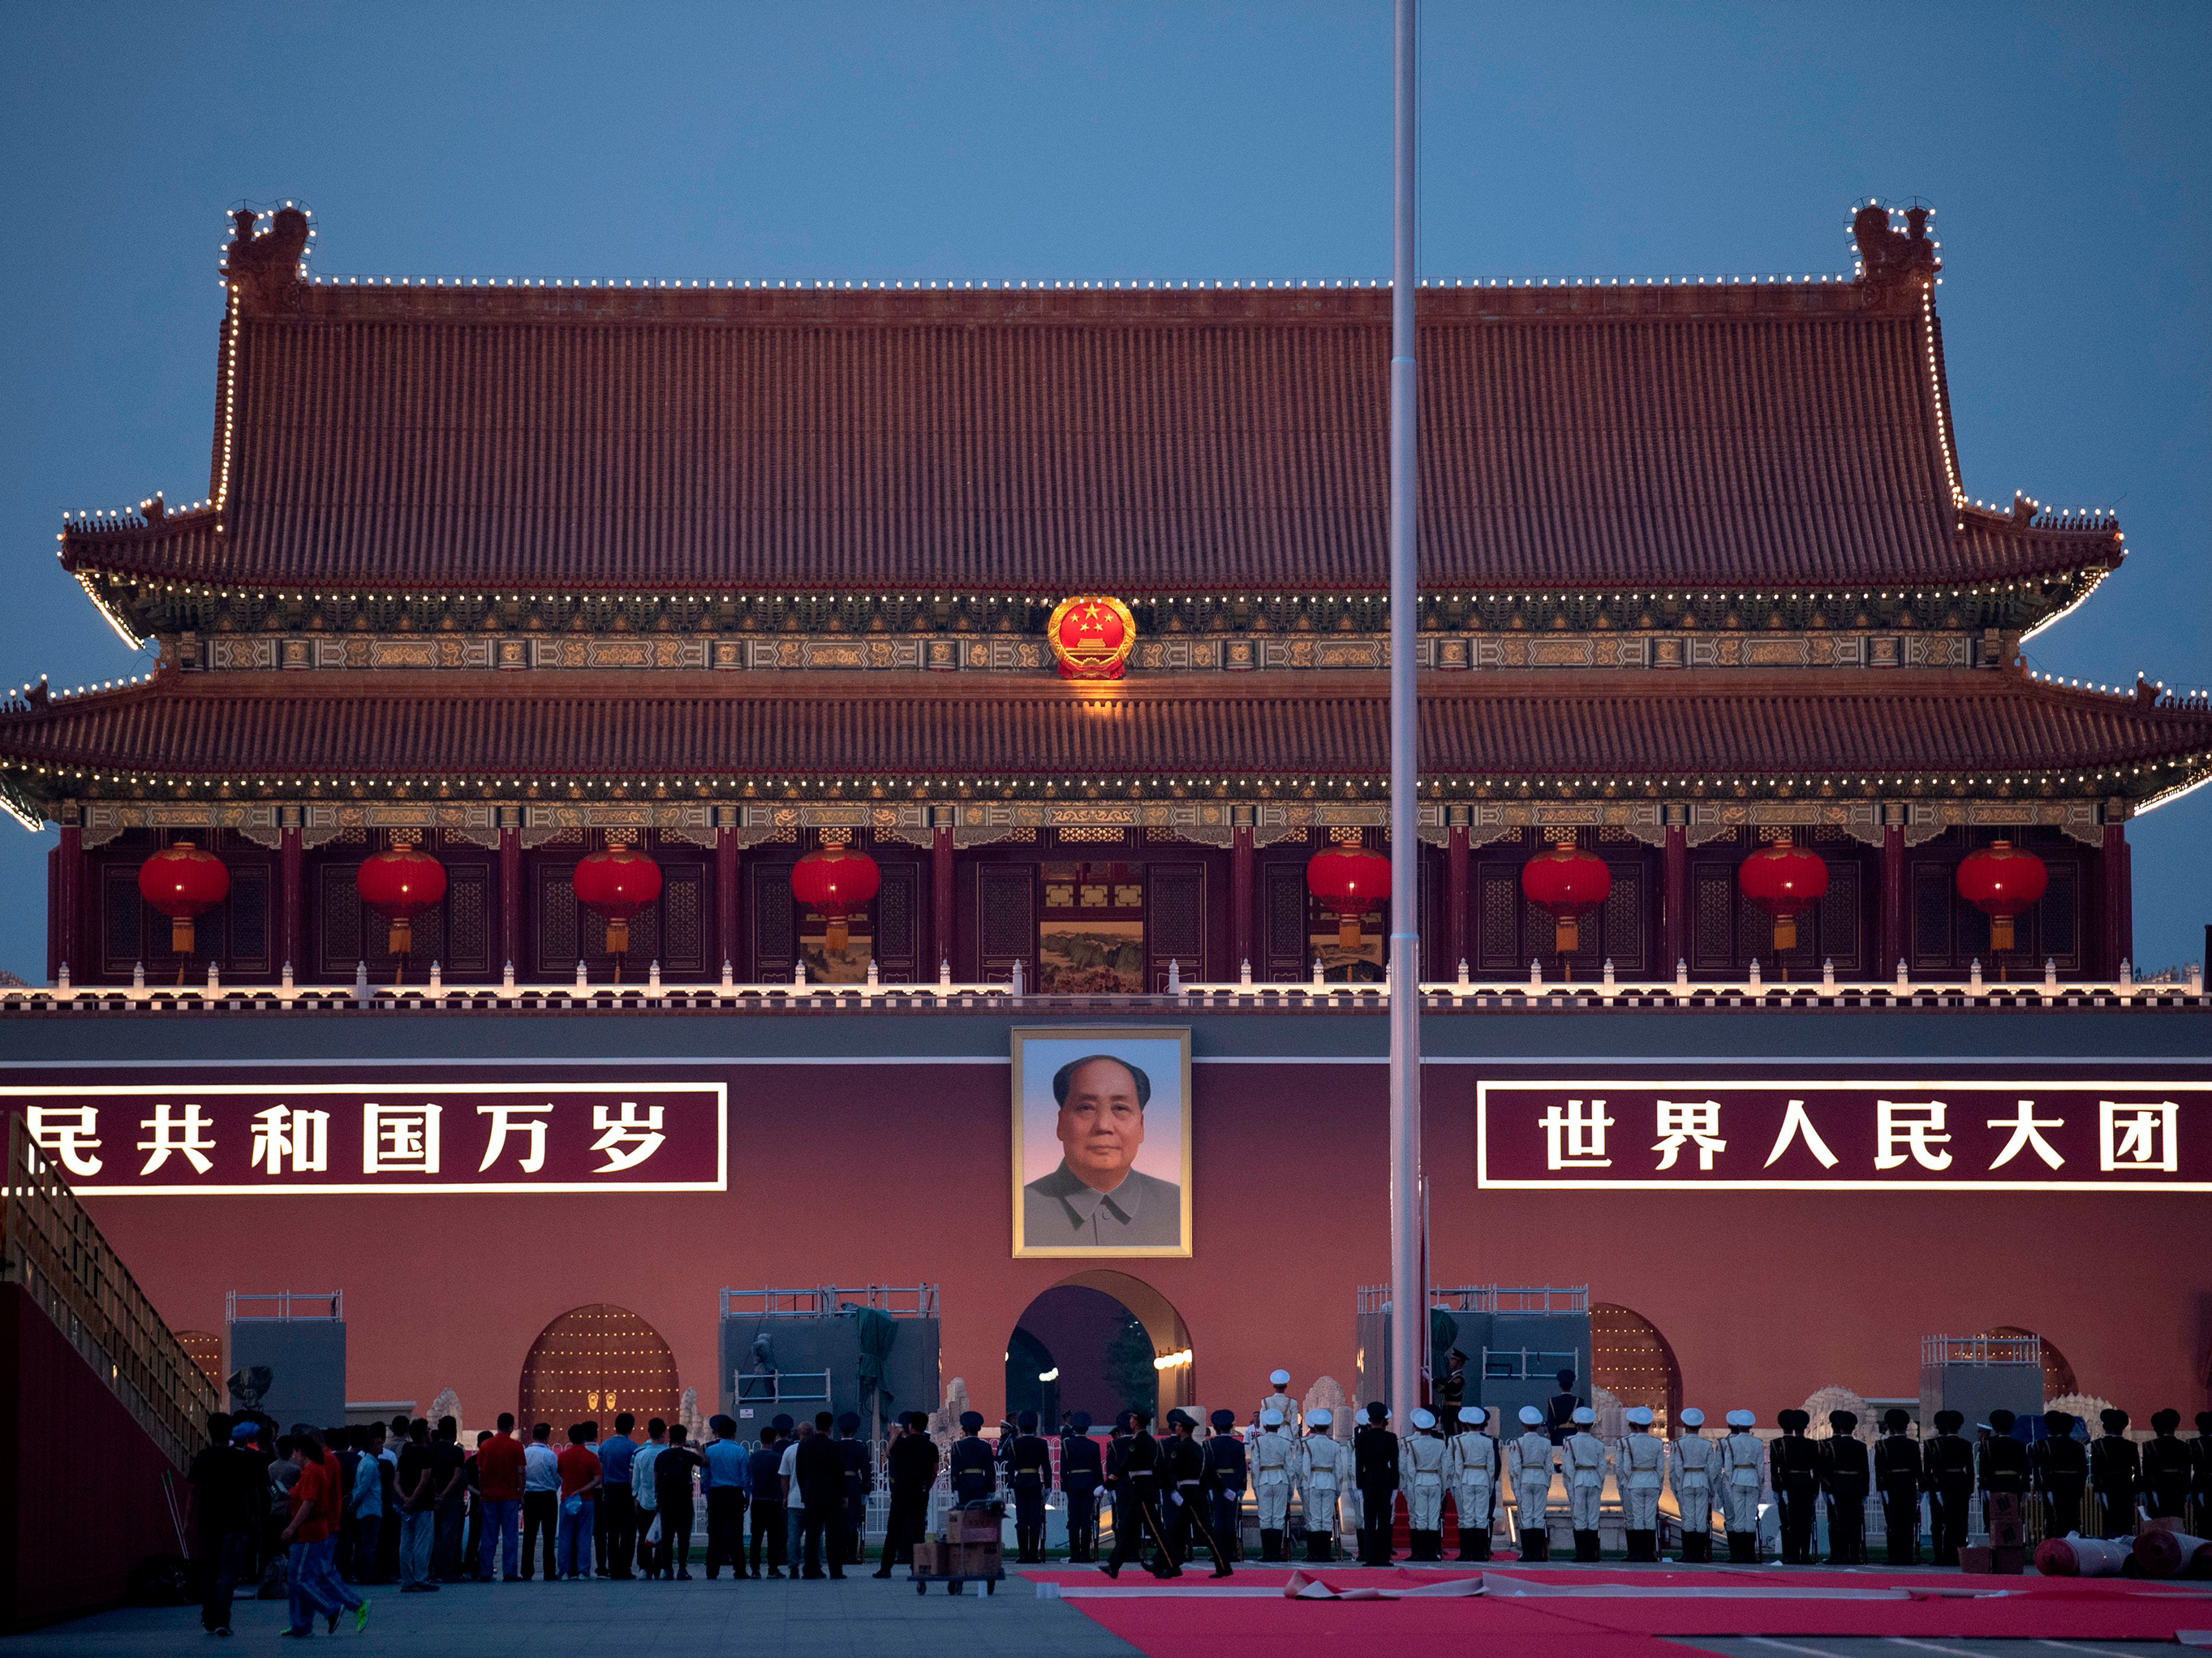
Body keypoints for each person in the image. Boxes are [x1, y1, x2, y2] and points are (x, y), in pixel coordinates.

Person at [1021, 1053, 1182, 1247]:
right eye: (1086, 1108)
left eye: (1120, 1108)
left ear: (1141, 1126)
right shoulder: (1020, 1209)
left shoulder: (1179, 1207)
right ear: (1061, 1123)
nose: (1104, 1125)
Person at [281, 1432, 368, 1638]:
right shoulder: (318, 1467)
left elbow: (310, 1501)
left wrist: (292, 1526)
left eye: (295, 1453)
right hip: (318, 1529)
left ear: (302, 1451)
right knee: (314, 1576)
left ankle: (336, 1607)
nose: (294, 1457)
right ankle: (302, 1623)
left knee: (306, 1577)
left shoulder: (317, 1469)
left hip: (313, 1531)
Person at [188, 1415, 257, 1636]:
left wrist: (187, 1520)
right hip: (235, 1520)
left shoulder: (203, 1457)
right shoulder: (242, 1458)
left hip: (208, 1519)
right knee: (228, 1572)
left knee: (209, 1569)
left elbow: (194, 1491)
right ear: (230, 1433)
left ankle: (208, 1616)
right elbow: (252, 1491)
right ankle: (222, 1619)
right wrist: (256, 1518)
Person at [1104, 1410, 1178, 1579]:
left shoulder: (1138, 1441)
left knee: (1155, 1530)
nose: (1130, 1421)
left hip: (1142, 1490)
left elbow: (1126, 1464)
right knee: (1127, 1529)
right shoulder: (1150, 1441)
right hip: (1141, 1490)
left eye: (1132, 1419)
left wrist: (1107, 1484)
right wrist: (1171, 1490)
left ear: (1136, 1422)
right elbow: (1161, 1469)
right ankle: (1113, 1565)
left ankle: (1172, 1563)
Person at [1164, 1410, 1233, 1576]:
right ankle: (1169, 1565)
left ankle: (1223, 1566)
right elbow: (1210, 1473)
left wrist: (1170, 1489)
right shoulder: (1199, 1448)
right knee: (1175, 1531)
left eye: (1179, 1426)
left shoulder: (1180, 1447)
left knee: (1205, 1531)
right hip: (1196, 1493)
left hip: (1188, 1494)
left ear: (1183, 1429)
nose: (1177, 1428)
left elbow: (1171, 1470)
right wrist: (1223, 1489)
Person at [876, 1412, 940, 1578]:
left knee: (894, 1530)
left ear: (910, 1427)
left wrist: (893, 1435)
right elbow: (934, 1471)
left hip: (901, 1491)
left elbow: (889, 1452)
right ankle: (917, 1567)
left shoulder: (903, 1444)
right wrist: (927, 1487)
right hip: (920, 1491)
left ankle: (885, 1568)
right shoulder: (931, 1447)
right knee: (918, 1531)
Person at [473, 1413, 525, 1582]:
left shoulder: (486, 1445)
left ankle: (485, 1571)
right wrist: (521, 1494)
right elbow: (521, 1471)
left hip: (489, 1497)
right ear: (511, 1426)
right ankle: (509, 1572)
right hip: (509, 1496)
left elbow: (480, 1472)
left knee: (488, 1536)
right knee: (510, 1536)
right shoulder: (516, 1446)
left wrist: (482, 1492)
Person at [794, 1412, 845, 1579]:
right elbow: (839, 1473)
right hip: (832, 1497)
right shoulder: (834, 1447)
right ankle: (835, 1571)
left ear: (816, 1426)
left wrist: (804, 1491)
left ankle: (810, 1569)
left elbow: (799, 1472)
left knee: (812, 1535)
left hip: (812, 1496)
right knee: (833, 1535)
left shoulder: (804, 1446)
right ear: (830, 1428)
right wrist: (843, 1494)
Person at [1444, 1406, 1498, 1562]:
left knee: (1467, 1516)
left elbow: (1454, 1464)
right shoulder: (1488, 1441)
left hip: (1466, 1478)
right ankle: (1480, 1553)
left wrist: (1455, 1483)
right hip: (1482, 1478)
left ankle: (1467, 1552)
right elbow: (1491, 1466)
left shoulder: (1457, 1440)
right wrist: (1490, 1484)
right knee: (1481, 1517)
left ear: (1465, 1423)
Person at [1298, 1408, 1349, 1564]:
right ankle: (1325, 1553)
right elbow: (1339, 1469)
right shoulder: (1334, 1445)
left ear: (1314, 1426)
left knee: (1314, 1519)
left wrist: (1304, 1487)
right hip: (1329, 1482)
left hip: (1312, 1482)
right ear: (1327, 1427)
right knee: (1326, 1519)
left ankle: (1313, 1553)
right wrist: (1338, 1488)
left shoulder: (1308, 1444)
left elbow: (1305, 1468)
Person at [1922, 1410, 1973, 1566]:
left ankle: (1943, 1555)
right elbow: (1971, 1470)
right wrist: (1970, 1489)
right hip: (1961, 1483)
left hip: (1942, 1485)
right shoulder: (1966, 1444)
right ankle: (1959, 1554)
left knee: (1941, 1522)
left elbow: (1931, 1469)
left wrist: (1934, 1488)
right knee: (1960, 1521)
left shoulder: (1934, 1445)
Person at [1769, 1409, 1821, 1565]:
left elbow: (1781, 1469)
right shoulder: (1813, 1444)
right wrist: (1815, 1490)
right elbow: (1817, 1470)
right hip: (1806, 1483)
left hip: (1790, 1485)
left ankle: (1792, 1554)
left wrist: (1781, 1489)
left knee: (1792, 1521)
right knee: (1805, 1521)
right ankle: (1805, 1554)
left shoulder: (1784, 1444)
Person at [702, 1415, 751, 1578]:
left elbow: (705, 1476)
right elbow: (745, 1477)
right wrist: (747, 1495)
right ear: (734, 1432)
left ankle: (712, 1571)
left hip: (716, 1494)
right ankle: (740, 1569)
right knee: (736, 1533)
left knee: (714, 1534)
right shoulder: (740, 1451)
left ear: (718, 1433)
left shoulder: (710, 1450)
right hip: (734, 1494)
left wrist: (708, 1493)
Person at [396, 1418, 441, 1593]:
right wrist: (414, 1499)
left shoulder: (405, 1454)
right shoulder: (426, 1454)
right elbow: (424, 1481)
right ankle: (421, 1578)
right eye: (428, 1431)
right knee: (422, 1543)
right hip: (423, 1505)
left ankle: (407, 1580)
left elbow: (396, 1480)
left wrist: (404, 1499)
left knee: (405, 1544)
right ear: (423, 1435)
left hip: (406, 1506)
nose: (430, 1434)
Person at [1353, 1402, 1400, 1567]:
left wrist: (1359, 1486)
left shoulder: (1362, 1438)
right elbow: (1394, 1464)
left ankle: (1370, 1556)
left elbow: (1359, 1464)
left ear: (1370, 1419)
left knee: (1370, 1519)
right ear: (1384, 1420)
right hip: (1386, 1479)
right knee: (1385, 1519)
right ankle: (1384, 1556)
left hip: (1369, 1479)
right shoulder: (1391, 1438)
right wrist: (1395, 1486)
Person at [1873, 1409, 1922, 1565]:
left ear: (1890, 1427)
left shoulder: (1882, 1445)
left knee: (1893, 1523)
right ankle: (1907, 1556)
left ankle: (1894, 1556)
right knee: (1908, 1522)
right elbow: (1918, 1469)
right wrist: (1921, 1489)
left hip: (1891, 1485)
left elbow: (1879, 1470)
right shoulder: (1913, 1445)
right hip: (1909, 1485)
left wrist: (1882, 1490)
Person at [1615, 1406, 1664, 1562]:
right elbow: (1661, 1468)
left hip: (1635, 1481)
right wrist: (1659, 1483)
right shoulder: (1657, 1443)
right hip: (1652, 1481)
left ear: (1635, 1425)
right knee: (1649, 1517)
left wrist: (1628, 1481)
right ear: (1649, 1425)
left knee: (1636, 1517)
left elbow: (1625, 1467)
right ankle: (1648, 1552)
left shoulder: (1628, 1443)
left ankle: (1637, 1552)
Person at [1399, 1407, 1448, 1562]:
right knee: (1433, 1518)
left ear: (1417, 1426)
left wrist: (1410, 1487)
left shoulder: (1412, 1444)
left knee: (1420, 1518)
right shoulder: (1440, 1444)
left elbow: (1409, 1468)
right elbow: (1445, 1468)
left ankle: (1421, 1552)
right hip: (1435, 1479)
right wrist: (1443, 1486)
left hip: (1419, 1480)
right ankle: (1432, 1553)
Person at [1821, 1411, 1870, 1565]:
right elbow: (1865, 1472)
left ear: (1840, 1428)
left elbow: (1827, 1471)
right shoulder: (1861, 1446)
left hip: (1839, 1487)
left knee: (1840, 1522)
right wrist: (1865, 1492)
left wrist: (1828, 1490)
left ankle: (1841, 1554)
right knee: (1855, 1522)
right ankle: (1854, 1555)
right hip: (1856, 1487)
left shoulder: (1832, 1445)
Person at [1508, 1404, 1555, 1562]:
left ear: (1523, 1424)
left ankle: (1528, 1552)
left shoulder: (1518, 1442)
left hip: (1526, 1478)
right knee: (1539, 1516)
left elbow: (1515, 1468)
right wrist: (1547, 1483)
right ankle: (1538, 1552)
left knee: (1526, 1516)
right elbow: (1549, 1467)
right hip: (1540, 1478)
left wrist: (1516, 1486)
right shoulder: (1545, 1443)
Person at [1006, 1410, 1053, 1564]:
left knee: (1021, 1520)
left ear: (1019, 1427)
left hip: (1020, 1483)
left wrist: (1011, 1486)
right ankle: (1033, 1554)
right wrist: (1048, 1486)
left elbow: (1010, 1468)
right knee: (1034, 1520)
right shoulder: (1041, 1443)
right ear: (1035, 1427)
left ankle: (1023, 1554)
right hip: (1034, 1482)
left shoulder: (1014, 1443)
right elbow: (1046, 1467)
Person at [2035, 1410, 2089, 1540]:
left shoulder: (2049, 1446)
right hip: (2074, 1488)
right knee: (2072, 1518)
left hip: (2056, 1488)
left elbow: (2044, 1470)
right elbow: (2083, 1471)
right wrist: (2080, 1489)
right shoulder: (2079, 1447)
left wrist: (2046, 1488)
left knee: (2056, 1519)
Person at [1671, 1409, 1717, 1563]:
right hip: (1702, 1480)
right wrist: (1712, 1488)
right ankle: (1700, 1553)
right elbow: (1712, 1469)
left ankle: (1688, 1553)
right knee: (1701, 1518)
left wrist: (1677, 1487)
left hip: (1686, 1480)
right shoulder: (1706, 1444)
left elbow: (1677, 1468)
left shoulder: (1679, 1444)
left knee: (1688, 1517)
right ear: (1700, 1425)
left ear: (1685, 1425)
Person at [1202, 1410, 1247, 1565]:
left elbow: (1207, 1469)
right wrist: (1242, 1487)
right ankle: (1230, 1552)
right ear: (1231, 1426)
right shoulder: (1237, 1445)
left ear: (1216, 1427)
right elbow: (1242, 1468)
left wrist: (1208, 1488)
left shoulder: (1209, 1444)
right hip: (1233, 1483)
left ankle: (1218, 1552)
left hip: (1216, 1484)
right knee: (1230, 1519)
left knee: (1217, 1519)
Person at [1057, 1411, 1104, 1565]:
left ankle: (1074, 1554)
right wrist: (1100, 1487)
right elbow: (1098, 1470)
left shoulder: (1067, 1444)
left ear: (1073, 1428)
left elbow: (1063, 1469)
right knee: (1086, 1520)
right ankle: (1085, 1554)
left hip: (1073, 1484)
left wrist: (1064, 1487)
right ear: (1087, 1429)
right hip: (1089, 1484)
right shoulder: (1093, 1446)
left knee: (1074, 1520)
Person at [555, 1423, 600, 1580]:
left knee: (565, 1536)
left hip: (567, 1499)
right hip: (587, 1500)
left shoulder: (562, 1456)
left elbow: (559, 1473)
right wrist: (583, 1489)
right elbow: (597, 1479)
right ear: (584, 1437)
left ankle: (564, 1570)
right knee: (584, 1536)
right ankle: (583, 1570)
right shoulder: (591, 1457)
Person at [1564, 1405, 1608, 1562]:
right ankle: (1591, 1553)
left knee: (1580, 1517)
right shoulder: (1598, 1444)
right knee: (1593, 1517)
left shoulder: (1570, 1442)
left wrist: (1571, 1484)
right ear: (1592, 1425)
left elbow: (1569, 1467)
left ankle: (1581, 1553)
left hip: (1579, 1479)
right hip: (1594, 1479)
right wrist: (1599, 1481)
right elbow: (1602, 1466)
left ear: (1577, 1424)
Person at [596, 1415, 638, 1579]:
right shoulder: (633, 1447)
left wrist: (605, 1491)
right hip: (626, 1491)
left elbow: (601, 1470)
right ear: (631, 1428)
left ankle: (612, 1567)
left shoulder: (604, 1446)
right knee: (628, 1531)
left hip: (610, 1491)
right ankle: (625, 1567)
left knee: (612, 1532)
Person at [1719, 1410, 1764, 1563]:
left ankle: (1738, 1554)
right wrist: (1760, 1486)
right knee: (1750, 1517)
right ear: (1751, 1425)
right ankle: (1749, 1554)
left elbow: (1728, 1467)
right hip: (1752, 1479)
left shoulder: (1730, 1442)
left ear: (1738, 1425)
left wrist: (1730, 1484)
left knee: (1738, 1517)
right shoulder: (1757, 1443)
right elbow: (1760, 1469)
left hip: (1737, 1479)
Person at [1250, 1410, 1296, 1561]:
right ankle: (1276, 1553)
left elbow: (1255, 1466)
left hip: (1264, 1479)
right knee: (1278, 1517)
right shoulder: (1285, 1443)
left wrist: (1255, 1486)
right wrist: (1291, 1487)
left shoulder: (1257, 1441)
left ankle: (1266, 1553)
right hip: (1281, 1479)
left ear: (1265, 1425)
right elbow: (1290, 1467)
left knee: (1265, 1517)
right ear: (1279, 1425)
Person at [519, 1422, 561, 1581]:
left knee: (529, 1535)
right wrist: (551, 1488)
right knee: (549, 1536)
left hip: (530, 1496)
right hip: (547, 1496)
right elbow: (557, 1477)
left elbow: (521, 1473)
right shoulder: (550, 1455)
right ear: (547, 1436)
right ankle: (549, 1571)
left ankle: (526, 1571)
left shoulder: (525, 1453)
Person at [2089, 1408, 2140, 1540]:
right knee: (2126, 1521)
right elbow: (2137, 1471)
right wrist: (2136, 1490)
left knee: (2109, 1521)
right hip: (2126, 1488)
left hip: (2107, 1488)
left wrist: (2098, 1490)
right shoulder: (2131, 1446)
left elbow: (2095, 1471)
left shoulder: (2097, 1445)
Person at [429, 1417, 467, 1581]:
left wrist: (435, 1494)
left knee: (432, 1535)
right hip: (450, 1498)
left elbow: (427, 1475)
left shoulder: (430, 1449)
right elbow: (456, 1476)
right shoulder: (457, 1452)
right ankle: (447, 1571)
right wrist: (444, 1495)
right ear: (454, 1431)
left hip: (431, 1497)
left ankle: (433, 1570)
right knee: (448, 1537)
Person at [747, 1423, 788, 1578]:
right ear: (775, 1439)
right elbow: (782, 1479)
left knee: (756, 1536)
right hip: (773, 1501)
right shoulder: (778, 1458)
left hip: (757, 1499)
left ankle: (755, 1569)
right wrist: (784, 1497)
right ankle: (772, 1568)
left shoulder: (753, 1458)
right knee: (774, 1537)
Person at [349, 1423, 387, 1587]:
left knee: (366, 1543)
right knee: (369, 1544)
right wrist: (354, 1503)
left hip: (366, 1509)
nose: (381, 1446)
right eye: (378, 1444)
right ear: (371, 1446)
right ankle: (367, 1574)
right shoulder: (371, 1465)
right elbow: (363, 1488)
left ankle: (365, 1572)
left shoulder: (364, 1462)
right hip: (370, 1509)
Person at [833, 1413, 871, 1570]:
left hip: (837, 1487)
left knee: (838, 1522)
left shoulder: (835, 1447)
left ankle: (840, 1554)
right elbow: (866, 1470)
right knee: (853, 1522)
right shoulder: (860, 1447)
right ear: (854, 1431)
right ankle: (851, 1554)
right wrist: (865, 1488)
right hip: (854, 1486)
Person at [631, 1419, 668, 1578]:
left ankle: (643, 1568)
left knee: (644, 1534)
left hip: (644, 1500)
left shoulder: (640, 1454)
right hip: (664, 1500)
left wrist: (635, 1498)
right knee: (664, 1535)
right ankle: (660, 1567)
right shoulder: (667, 1453)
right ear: (663, 1433)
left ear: (648, 1433)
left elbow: (635, 1481)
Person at [2142, 1409, 2192, 1519]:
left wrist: (2149, 1491)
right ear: (2177, 1425)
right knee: (2176, 1518)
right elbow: (2187, 1471)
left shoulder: (2150, 1445)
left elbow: (2146, 1471)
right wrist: (2186, 1490)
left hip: (2159, 1485)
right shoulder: (2184, 1446)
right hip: (2178, 1486)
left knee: (2160, 1518)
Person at [949, 1410, 997, 1505]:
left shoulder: (958, 1446)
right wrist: (991, 1489)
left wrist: (955, 1488)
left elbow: (954, 1470)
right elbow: (990, 1470)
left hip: (964, 1484)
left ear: (964, 1430)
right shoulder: (985, 1446)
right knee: (979, 1513)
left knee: (965, 1514)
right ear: (979, 1429)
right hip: (980, 1484)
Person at [1544, 1369, 1586, 1447]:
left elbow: (1551, 1423)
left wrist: (1552, 1437)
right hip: (1575, 1435)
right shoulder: (1579, 1401)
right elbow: (1582, 1421)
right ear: (1572, 1385)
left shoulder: (1553, 1401)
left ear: (1560, 1385)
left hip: (1558, 1436)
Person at [1256, 1370, 1302, 1437]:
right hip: (1287, 1434)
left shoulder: (1266, 1401)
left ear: (1274, 1386)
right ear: (1286, 1387)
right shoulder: (1292, 1402)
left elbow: (1262, 1423)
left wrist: (1264, 1434)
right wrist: (1293, 1436)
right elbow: (1294, 1424)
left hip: (1270, 1434)